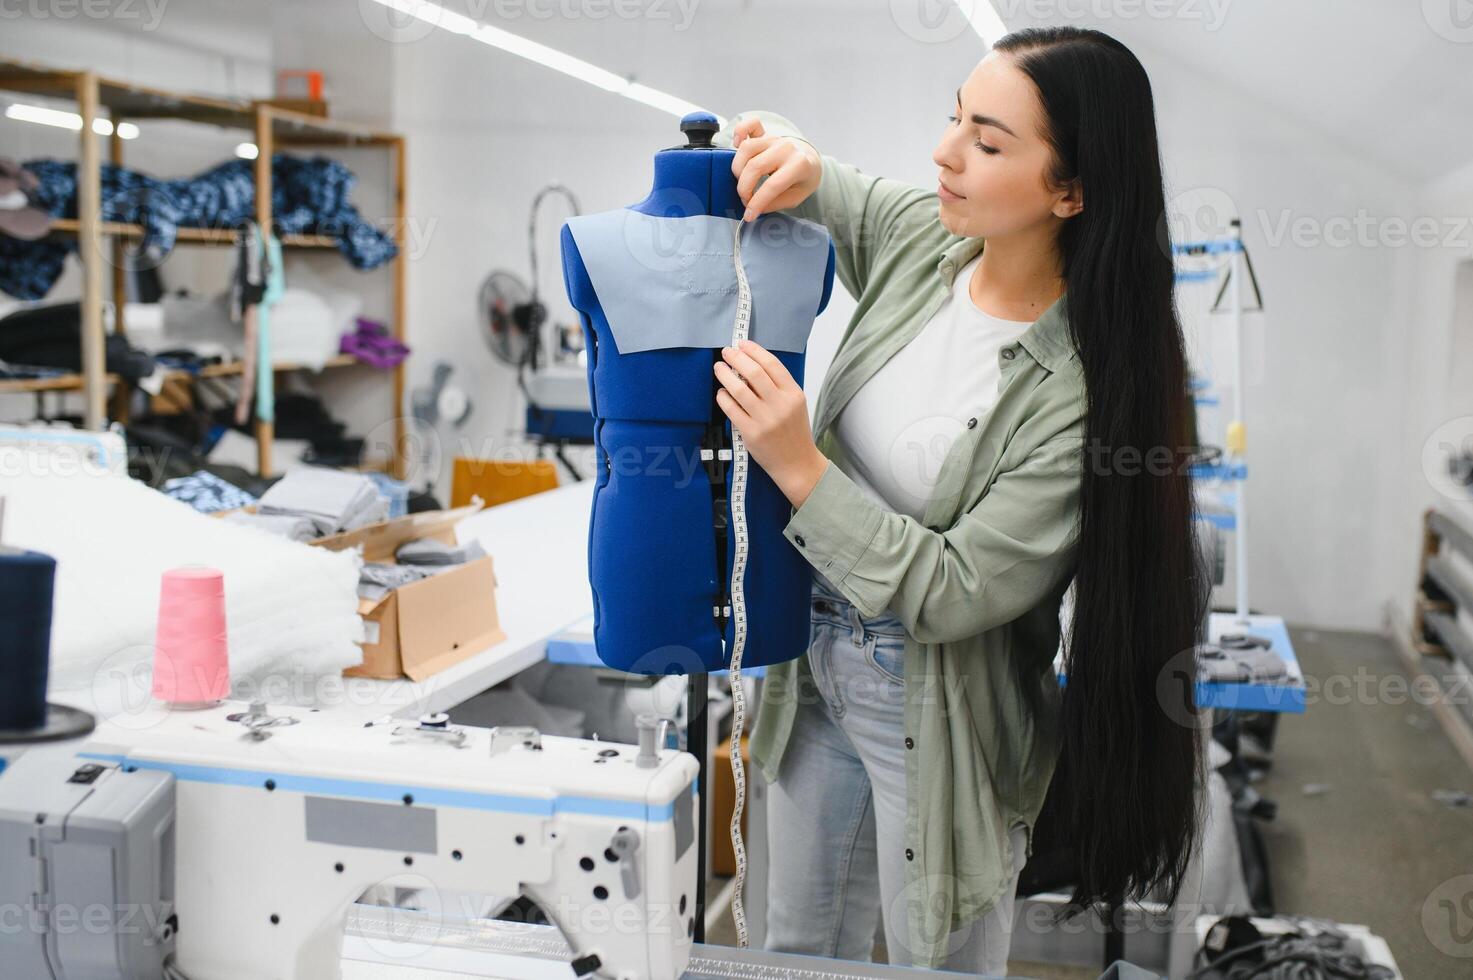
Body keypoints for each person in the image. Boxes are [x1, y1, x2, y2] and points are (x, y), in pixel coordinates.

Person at [708, 25, 1208, 974]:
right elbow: (830, 184)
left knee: (936, 960)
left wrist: (793, 461)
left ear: (1071, 191)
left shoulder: (1082, 390)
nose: (944, 153)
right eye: (952, 119)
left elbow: (955, 589)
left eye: (985, 141)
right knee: (793, 953)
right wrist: (788, 147)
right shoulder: (923, 243)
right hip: (810, 662)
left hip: (939, 702)